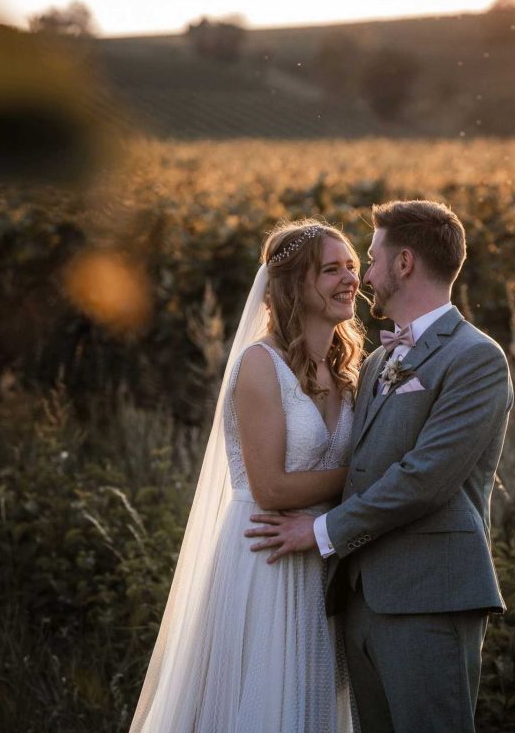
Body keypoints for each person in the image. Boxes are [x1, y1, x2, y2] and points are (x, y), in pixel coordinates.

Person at [246, 200, 514, 733]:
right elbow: (362, 464)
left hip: (428, 597)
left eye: (370, 260)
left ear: (405, 263)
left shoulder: (475, 357)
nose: (364, 275)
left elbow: (425, 478)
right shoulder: (375, 362)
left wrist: (320, 530)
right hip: (360, 597)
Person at [130, 220, 365, 732]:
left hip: (321, 558)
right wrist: (364, 480)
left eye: (352, 266)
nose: (350, 279)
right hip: (268, 559)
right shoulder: (261, 364)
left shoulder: (347, 369)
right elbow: (272, 488)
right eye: (331, 269)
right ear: (292, 286)